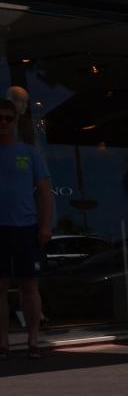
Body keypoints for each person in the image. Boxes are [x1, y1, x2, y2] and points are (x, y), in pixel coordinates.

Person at [0, 97, 52, 359]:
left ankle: (33, 340)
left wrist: (45, 225)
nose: (3, 123)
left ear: (15, 120)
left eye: (8, 118)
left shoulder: (29, 153)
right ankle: (3, 343)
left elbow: (44, 191)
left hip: (26, 227)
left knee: (29, 286)